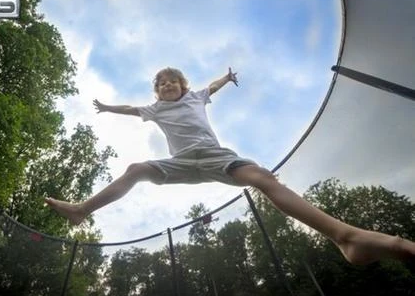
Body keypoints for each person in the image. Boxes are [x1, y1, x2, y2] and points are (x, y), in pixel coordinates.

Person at [45, 67, 415, 266]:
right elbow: (130, 109)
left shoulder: (195, 97)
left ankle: (345, 237)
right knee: (136, 168)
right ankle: (82, 210)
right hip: (180, 162)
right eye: (161, 83)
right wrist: (108, 108)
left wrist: (227, 77)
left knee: (263, 179)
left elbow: (212, 86)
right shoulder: (154, 109)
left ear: (182, 86)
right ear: (156, 92)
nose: (167, 85)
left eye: (172, 81)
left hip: (215, 157)